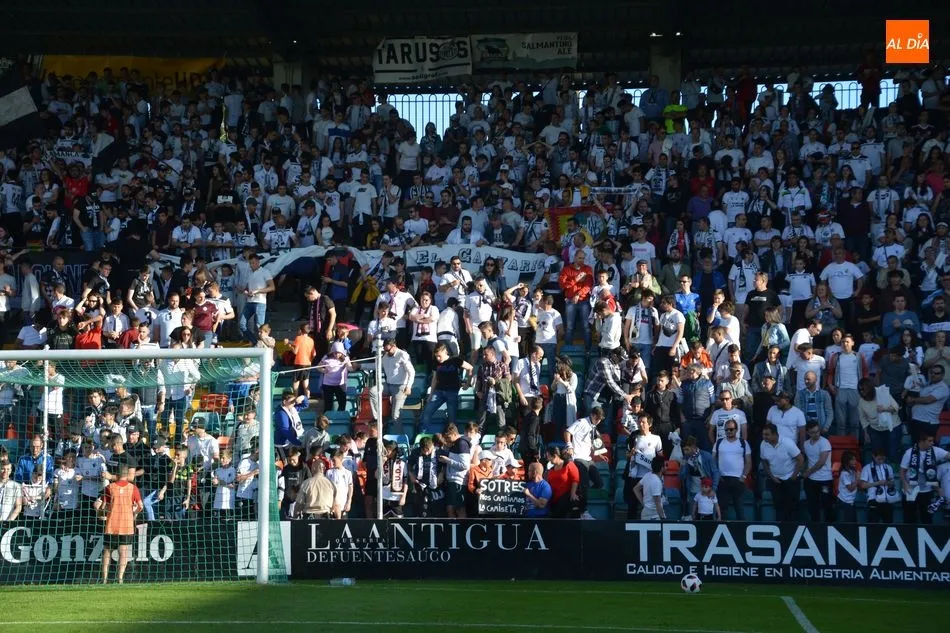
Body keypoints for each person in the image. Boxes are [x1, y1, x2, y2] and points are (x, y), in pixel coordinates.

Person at [95, 463, 143, 584]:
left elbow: (103, 507)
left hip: (112, 524)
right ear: (127, 474)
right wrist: (134, 513)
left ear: (116, 474)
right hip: (126, 525)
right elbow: (140, 506)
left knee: (107, 551)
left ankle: (104, 578)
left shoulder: (110, 487)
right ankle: (120, 578)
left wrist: (98, 510)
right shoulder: (133, 488)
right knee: (123, 552)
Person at [900, 430, 950, 525]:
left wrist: (938, 489)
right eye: (930, 441)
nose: (932, 443)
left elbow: (948, 455)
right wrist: (905, 484)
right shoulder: (909, 453)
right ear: (921, 441)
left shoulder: (935, 450)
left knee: (927, 519)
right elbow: (902, 471)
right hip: (911, 491)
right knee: (909, 519)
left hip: (926, 491)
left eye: (933, 441)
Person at [369, 338, 415, 433]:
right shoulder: (385, 356)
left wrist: (409, 386)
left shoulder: (403, 355)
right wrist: (360, 366)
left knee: (395, 416)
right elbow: (376, 366)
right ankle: (378, 419)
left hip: (400, 387)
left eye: (388, 350)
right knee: (373, 391)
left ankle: (399, 437)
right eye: (385, 350)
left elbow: (412, 372)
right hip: (388, 385)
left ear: (394, 346)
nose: (387, 352)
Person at [760, 422, 803, 522]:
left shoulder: (787, 443)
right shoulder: (763, 444)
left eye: (767, 434)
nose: (764, 437)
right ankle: (780, 529)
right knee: (778, 507)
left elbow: (800, 459)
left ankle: (793, 529)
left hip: (791, 479)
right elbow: (764, 461)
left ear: (775, 434)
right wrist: (771, 476)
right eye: (763, 434)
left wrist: (793, 477)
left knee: (792, 508)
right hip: (776, 480)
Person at [712, 419, 751, 521]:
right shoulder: (719, 442)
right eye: (726, 430)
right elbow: (713, 460)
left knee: (739, 507)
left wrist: (743, 476)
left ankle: (741, 528)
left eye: (731, 429)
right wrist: (717, 475)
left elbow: (748, 461)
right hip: (723, 479)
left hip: (738, 479)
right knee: (722, 508)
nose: (728, 431)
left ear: (736, 430)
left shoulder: (743, 443)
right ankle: (723, 527)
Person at [801, 420, 834, 523]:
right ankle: (815, 526)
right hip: (811, 480)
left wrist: (807, 473)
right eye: (813, 432)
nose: (816, 434)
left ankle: (829, 526)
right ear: (808, 433)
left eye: (818, 431)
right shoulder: (806, 444)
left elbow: (821, 462)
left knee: (827, 504)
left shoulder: (825, 442)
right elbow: (806, 459)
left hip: (825, 479)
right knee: (812, 505)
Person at [545, 445, 581, 518]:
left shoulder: (569, 465)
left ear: (555, 456)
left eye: (549, 456)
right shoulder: (550, 470)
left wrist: (573, 493)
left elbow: (575, 479)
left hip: (567, 497)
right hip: (554, 499)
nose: (548, 459)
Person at [633, 455, 666, 521]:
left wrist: (644, 504)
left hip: (646, 512)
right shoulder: (656, 481)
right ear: (662, 468)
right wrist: (663, 517)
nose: (666, 467)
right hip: (654, 516)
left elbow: (636, 489)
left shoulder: (647, 475)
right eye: (665, 465)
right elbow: (657, 503)